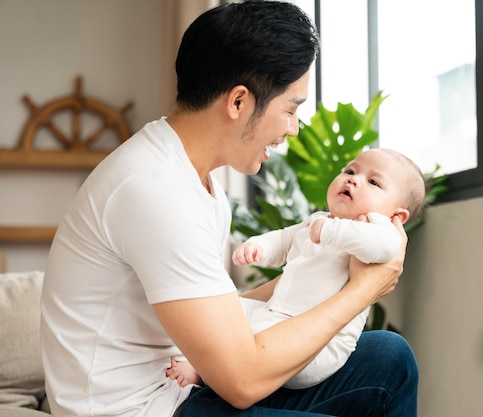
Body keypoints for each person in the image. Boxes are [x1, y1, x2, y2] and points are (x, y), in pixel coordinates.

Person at [40, 2, 419, 417]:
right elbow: (242, 382)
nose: (293, 127)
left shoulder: (196, 181)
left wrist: (329, 273)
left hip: (180, 391)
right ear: (238, 101)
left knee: (389, 358)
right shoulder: (154, 190)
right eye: (291, 109)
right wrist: (366, 288)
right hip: (141, 410)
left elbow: (217, 309)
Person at [166, 148, 425, 390]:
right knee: (228, 310)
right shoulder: (319, 220)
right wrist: (260, 247)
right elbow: (284, 240)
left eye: (374, 182)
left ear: (396, 216)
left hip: (319, 348)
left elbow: (382, 247)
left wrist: (333, 231)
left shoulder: (378, 231)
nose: (353, 180)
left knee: (243, 347)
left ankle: (204, 374)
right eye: (350, 171)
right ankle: (187, 353)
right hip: (277, 315)